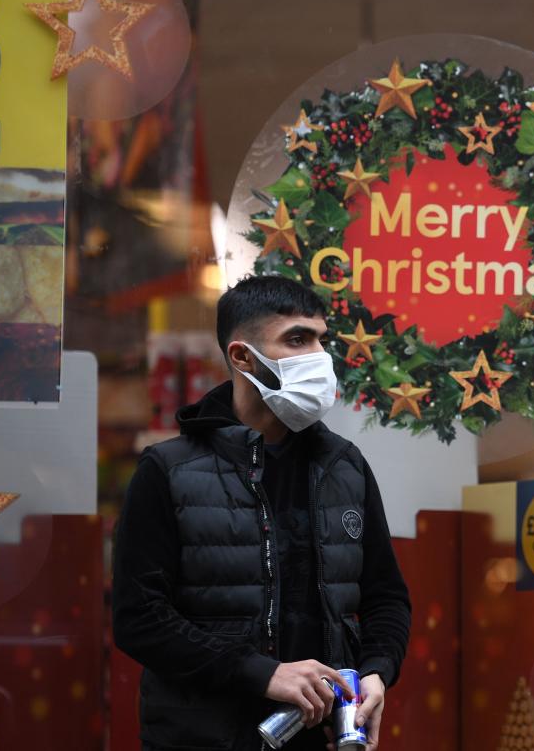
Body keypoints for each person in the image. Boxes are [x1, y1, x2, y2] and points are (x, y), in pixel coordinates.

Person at [113, 275, 411, 751]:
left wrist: (377, 673)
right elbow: (139, 619)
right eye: (297, 339)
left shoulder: (345, 465)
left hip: (322, 738)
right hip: (205, 739)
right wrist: (263, 673)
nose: (319, 356)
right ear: (242, 357)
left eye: (321, 339)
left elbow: (385, 597)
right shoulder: (169, 470)